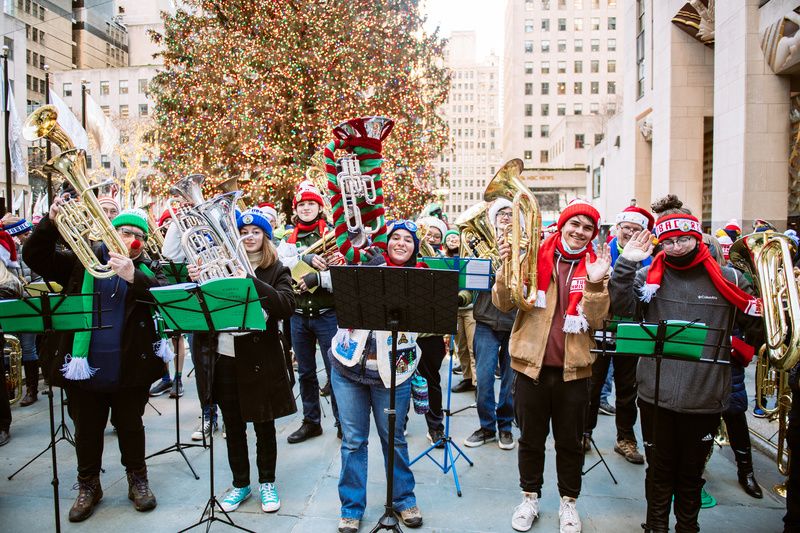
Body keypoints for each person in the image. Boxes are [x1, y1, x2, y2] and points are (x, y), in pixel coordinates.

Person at [609, 195, 762, 533]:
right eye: (669, 241)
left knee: (691, 475)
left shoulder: (730, 279)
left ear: (697, 237)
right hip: (655, 394)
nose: (677, 247)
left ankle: (687, 528)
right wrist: (626, 265)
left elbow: (756, 330)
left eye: (684, 239)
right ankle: (656, 526)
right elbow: (620, 310)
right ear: (660, 243)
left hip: (705, 397)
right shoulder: (648, 275)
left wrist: (756, 328)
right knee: (659, 470)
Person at [23, 203, 168, 522]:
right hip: (83, 366)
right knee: (87, 430)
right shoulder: (82, 262)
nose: (132, 239)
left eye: (138, 236)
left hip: (130, 368)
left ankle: (137, 481)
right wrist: (49, 223)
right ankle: (89, 486)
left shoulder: (147, 268)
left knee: (131, 427)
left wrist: (134, 277)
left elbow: (165, 296)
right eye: (125, 232)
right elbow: (36, 257)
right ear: (110, 231)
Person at [497, 200, 611, 533]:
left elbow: (598, 320)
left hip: (574, 371)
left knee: (570, 442)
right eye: (574, 224)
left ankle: (568, 503)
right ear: (562, 225)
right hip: (530, 367)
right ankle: (529, 498)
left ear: (593, 234)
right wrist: (507, 265)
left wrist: (593, 284)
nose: (579, 231)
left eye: (587, 227)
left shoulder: (596, 266)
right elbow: (503, 303)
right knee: (530, 439)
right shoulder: (532, 258)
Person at [189, 208, 297, 514]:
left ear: (265, 237)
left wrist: (249, 280)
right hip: (224, 357)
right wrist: (195, 281)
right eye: (243, 232)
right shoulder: (216, 265)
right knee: (233, 426)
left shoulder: (277, 269)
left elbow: (286, 305)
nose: (249, 237)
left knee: (263, 425)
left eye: (256, 232)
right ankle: (240, 483)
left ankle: (267, 481)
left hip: (259, 359)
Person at [330, 220, 425, 533]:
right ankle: (351, 508)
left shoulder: (423, 277)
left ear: (415, 247)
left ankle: (403, 499)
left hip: (393, 373)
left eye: (407, 240)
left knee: (393, 440)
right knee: (353, 442)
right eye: (395, 237)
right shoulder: (367, 264)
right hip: (348, 367)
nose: (400, 243)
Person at [585, 205, 654, 464]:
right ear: (618, 228)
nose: (631, 233)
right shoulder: (601, 251)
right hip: (602, 328)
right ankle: (584, 432)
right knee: (591, 386)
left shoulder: (651, 258)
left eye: (637, 229)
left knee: (628, 390)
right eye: (627, 228)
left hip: (633, 330)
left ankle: (625, 439)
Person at [277, 180, 340, 443]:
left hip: (328, 313)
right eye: (301, 204)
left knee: (336, 372)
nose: (305, 208)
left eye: (311, 203)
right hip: (299, 315)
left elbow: (343, 273)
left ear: (319, 207)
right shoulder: (287, 240)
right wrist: (303, 260)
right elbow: (279, 265)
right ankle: (311, 421)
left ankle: (342, 421)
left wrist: (320, 277)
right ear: (295, 209)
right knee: (305, 372)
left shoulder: (334, 234)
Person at [463, 198, 517, 450]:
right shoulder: (480, 247)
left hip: (514, 321)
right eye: (501, 214)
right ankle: (487, 427)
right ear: (493, 220)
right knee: (483, 378)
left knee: (509, 381)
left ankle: (505, 426)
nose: (505, 217)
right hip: (485, 319)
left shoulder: (524, 247)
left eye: (510, 214)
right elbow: (470, 283)